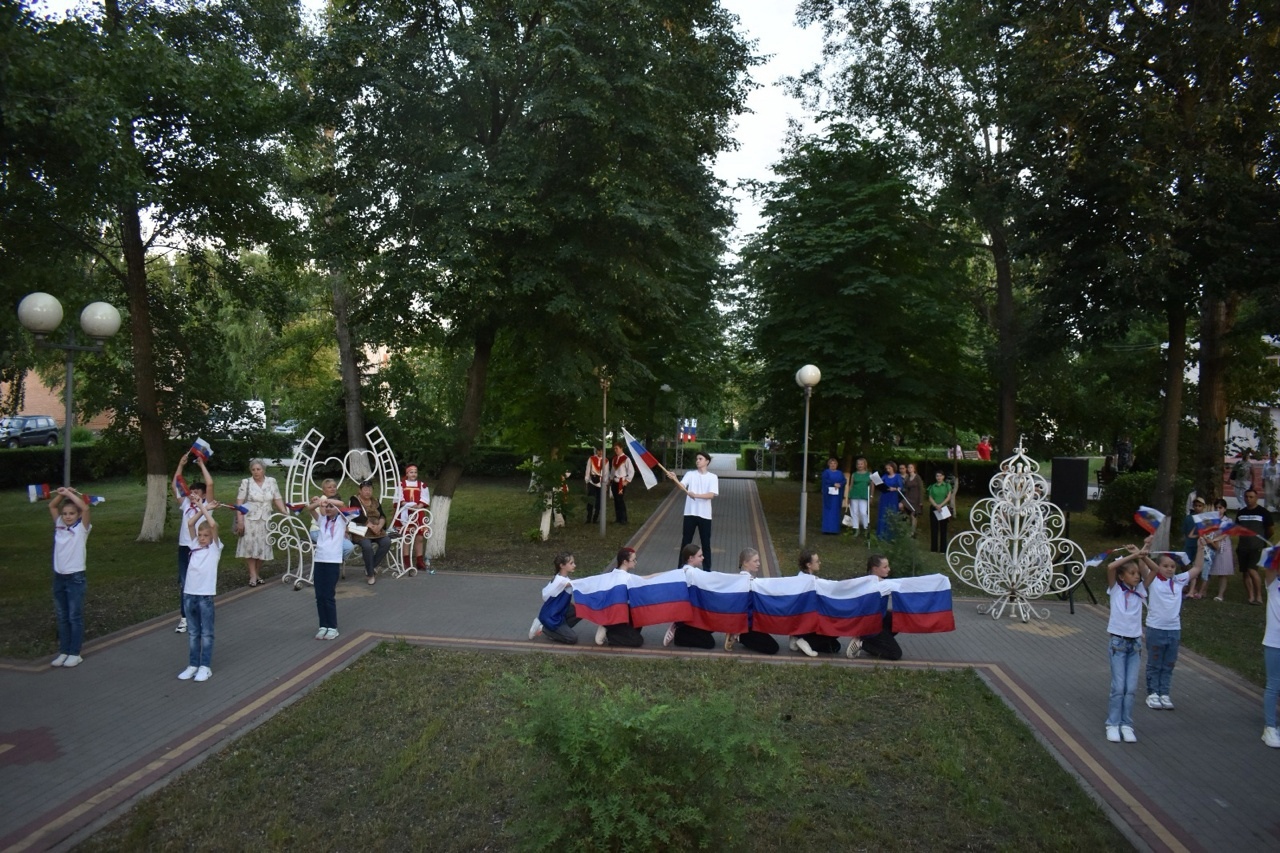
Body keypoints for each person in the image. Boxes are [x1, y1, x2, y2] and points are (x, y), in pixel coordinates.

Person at [1143, 539, 1204, 711]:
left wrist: (1200, 548)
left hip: (1174, 630)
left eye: (1172, 566)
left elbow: (1197, 568)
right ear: (1158, 566)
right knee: (1155, 662)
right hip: (1155, 628)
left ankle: (1164, 693)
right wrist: (1146, 547)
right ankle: (1153, 692)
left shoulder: (1179, 581)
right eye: (1165, 566)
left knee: (1169, 663)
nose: (1169, 569)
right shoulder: (1153, 580)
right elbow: (1143, 562)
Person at [1104, 539, 1152, 744]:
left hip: (1135, 645)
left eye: (1138, 574)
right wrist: (1132, 556)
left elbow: (1154, 572)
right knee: (1118, 687)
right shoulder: (1115, 590)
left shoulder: (1140, 591)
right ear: (1122, 577)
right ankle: (1112, 723)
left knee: (1131, 688)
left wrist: (1143, 554)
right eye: (1132, 574)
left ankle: (1127, 724)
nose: (1137, 576)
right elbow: (1110, 567)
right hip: (1118, 644)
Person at [179, 497, 222, 682]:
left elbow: (213, 525)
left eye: (205, 536)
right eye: (200, 535)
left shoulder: (215, 548)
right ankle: (192, 665)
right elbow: (190, 522)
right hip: (189, 594)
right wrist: (202, 506)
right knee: (193, 632)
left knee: (206, 633)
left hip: (205, 595)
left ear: (211, 537)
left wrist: (207, 509)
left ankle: (205, 666)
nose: (202, 538)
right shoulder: (194, 544)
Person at [49, 487, 91, 668]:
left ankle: (75, 652)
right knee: (62, 615)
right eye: (65, 513)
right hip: (59, 577)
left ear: (78, 515)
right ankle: (64, 651)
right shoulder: (59, 525)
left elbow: (86, 508)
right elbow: (52, 506)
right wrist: (61, 494)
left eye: (72, 513)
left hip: (75, 578)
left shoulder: (82, 528)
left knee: (74, 616)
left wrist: (70, 494)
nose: (67, 516)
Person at [172, 452, 214, 633]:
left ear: (204, 495)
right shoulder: (185, 505)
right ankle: (185, 617)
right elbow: (175, 484)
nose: (193, 495)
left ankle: (201, 615)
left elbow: (210, 483)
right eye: (191, 492)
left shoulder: (207, 506)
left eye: (197, 492)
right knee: (185, 582)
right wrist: (180, 465)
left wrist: (201, 465)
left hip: (202, 549)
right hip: (185, 548)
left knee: (201, 582)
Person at [234, 458, 288, 586]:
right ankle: (253, 575)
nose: (256, 472)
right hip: (250, 519)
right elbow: (239, 503)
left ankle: (257, 573)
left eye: (258, 469)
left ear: (263, 470)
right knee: (250, 546)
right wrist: (240, 521)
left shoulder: (271, 481)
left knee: (262, 547)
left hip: (265, 519)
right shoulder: (246, 482)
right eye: (253, 470)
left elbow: (277, 498)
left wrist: (284, 512)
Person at [668, 450, 718, 570]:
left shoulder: (712, 477)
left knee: (706, 544)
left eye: (700, 459)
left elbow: (711, 495)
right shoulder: (690, 474)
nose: (697, 461)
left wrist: (696, 495)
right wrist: (675, 479)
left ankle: (707, 570)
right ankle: (681, 568)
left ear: (707, 461)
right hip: (690, 513)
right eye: (697, 459)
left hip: (705, 515)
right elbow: (682, 486)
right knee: (686, 542)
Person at [724, 548, 779, 655]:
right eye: (755, 561)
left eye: (758, 560)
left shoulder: (743, 580)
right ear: (745, 563)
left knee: (771, 644)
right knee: (773, 648)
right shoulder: (748, 583)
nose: (758, 564)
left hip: (751, 624)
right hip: (747, 626)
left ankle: (739, 635)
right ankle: (739, 636)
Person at [309, 493, 348, 640]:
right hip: (320, 560)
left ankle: (332, 627)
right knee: (319, 595)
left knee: (328, 595)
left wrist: (328, 501)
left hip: (333, 561)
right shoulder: (322, 519)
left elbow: (342, 504)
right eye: (327, 507)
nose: (329, 509)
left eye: (332, 507)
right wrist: (320, 503)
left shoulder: (342, 520)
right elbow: (310, 509)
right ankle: (323, 625)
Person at [662, 544, 716, 649]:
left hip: (690, 614)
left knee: (710, 627)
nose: (703, 558)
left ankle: (681, 628)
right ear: (691, 558)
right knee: (709, 643)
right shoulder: (692, 573)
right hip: (690, 616)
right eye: (700, 556)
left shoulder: (685, 571)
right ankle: (680, 635)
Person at [790, 548, 841, 657]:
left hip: (801, 621)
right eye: (817, 561)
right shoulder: (812, 582)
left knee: (835, 647)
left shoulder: (800, 577)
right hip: (808, 621)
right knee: (836, 629)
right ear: (809, 565)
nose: (819, 563)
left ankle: (798, 637)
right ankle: (805, 641)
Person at [594, 546, 645, 647]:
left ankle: (610, 628)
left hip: (620, 613)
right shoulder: (624, 577)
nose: (636, 562)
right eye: (633, 560)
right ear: (625, 562)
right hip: (615, 616)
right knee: (638, 641)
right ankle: (609, 633)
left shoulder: (614, 573)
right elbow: (645, 579)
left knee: (638, 616)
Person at [856, 554, 902, 661]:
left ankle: (876, 642)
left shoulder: (867, 581)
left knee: (896, 618)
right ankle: (863, 644)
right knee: (896, 654)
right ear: (875, 569)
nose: (889, 569)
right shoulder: (879, 585)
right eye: (885, 567)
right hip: (870, 624)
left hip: (876, 620)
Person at [529, 552, 580, 644]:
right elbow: (576, 584)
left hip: (556, 611)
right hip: (551, 616)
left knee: (581, 610)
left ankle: (559, 631)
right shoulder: (561, 582)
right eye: (571, 563)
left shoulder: (558, 577)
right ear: (562, 566)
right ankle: (544, 628)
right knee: (572, 638)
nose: (574, 565)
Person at [349, 479, 392, 585]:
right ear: (360, 490)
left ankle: (370, 568)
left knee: (386, 542)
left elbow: (382, 515)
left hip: (377, 530)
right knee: (367, 546)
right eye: (365, 489)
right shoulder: (355, 499)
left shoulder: (375, 500)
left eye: (370, 489)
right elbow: (356, 515)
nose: (368, 491)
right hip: (361, 530)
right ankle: (371, 574)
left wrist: (380, 526)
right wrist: (371, 526)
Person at [1236, 489, 1274, 606]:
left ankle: (1259, 596)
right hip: (1243, 547)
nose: (1249, 499)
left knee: (1252, 570)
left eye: (1251, 497)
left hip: (1257, 547)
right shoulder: (1241, 513)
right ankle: (1250, 596)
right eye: (1247, 497)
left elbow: (1270, 530)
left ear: (1256, 498)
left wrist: (1262, 539)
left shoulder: (1263, 512)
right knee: (1245, 572)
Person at [395, 464, 430, 571]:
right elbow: (398, 497)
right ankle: (406, 561)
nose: (413, 474)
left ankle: (419, 561)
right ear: (407, 473)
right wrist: (406, 504)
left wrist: (419, 505)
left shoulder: (422, 485)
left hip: (418, 514)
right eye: (411, 472)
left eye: (415, 472)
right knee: (407, 537)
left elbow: (425, 498)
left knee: (419, 537)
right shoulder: (401, 484)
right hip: (405, 513)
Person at [310, 478, 355, 563]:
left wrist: (345, 530)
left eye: (334, 486)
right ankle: (333, 561)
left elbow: (343, 515)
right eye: (329, 487)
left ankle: (335, 561)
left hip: (333, 530)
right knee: (334, 547)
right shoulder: (323, 499)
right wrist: (321, 502)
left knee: (348, 546)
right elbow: (324, 515)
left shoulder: (334, 499)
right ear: (324, 490)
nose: (333, 489)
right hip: (318, 530)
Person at [1262, 555, 1280, 748]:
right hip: (1274, 643)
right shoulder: (1274, 585)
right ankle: (1269, 726)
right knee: (1273, 685)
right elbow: (1269, 565)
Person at [1208, 498, 1236, 601]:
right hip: (1211, 545)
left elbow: (1225, 534)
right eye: (1216, 508)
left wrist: (1214, 539)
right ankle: (1202, 590)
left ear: (1224, 509)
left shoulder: (1228, 521)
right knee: (1207, 568)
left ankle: (1220, 594)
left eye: (1220, 508)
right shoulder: (1211, 520)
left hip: (1223, 546)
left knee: (1222, 571)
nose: (1218, 510)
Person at [926, 470, 955, 553]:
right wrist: (936, 505)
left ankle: (943, 549)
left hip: (943, 508)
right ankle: (934, 549)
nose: (938, 477)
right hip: (934, 508)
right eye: (937, 476)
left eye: (940, 476)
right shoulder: (932, 486)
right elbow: (930, 497)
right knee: (934, 529)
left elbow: (948, 497)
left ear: (943, 477)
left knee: (943, 529)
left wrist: (941, 505)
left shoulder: (946, 486)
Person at [845, 456, 873, 542]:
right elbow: (851, 485)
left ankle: (865, 528)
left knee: (863, 512)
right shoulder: (854, 474)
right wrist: (849, 495)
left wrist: (871, 495)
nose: (860, 465)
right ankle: (856, 529)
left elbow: (872, 485)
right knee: (854, 512)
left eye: (861, 464)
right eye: (858, 464)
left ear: (865, 465)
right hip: (854, 495)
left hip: (864, 495)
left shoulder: (870, 474)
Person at [874, 461, 903, 540]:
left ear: (893, 468)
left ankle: (891, 536)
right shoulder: (885, 476)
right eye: (886, 468)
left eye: (889, 468)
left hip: (892, 497)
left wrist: (894, 488)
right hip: (884, 496)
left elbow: (900, 487)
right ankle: (881, 534)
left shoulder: (897, 476)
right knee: (883, 513)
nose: (888, 470)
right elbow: (879, 483)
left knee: (892, 513)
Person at [819, 457, 847, 535]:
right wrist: (833, 484)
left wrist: (840, 484)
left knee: (835, 511)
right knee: (828, 510)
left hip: (837, 495)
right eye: (831, 463)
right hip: (828, 495)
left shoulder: (840, 473)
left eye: (834, 463)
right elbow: (825, 480)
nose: (833, 465)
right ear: (828, 464)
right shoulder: (826, 472)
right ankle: (827, 529)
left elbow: (844, 480)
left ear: (837, 465)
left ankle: (835, 529)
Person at [609, 442, 634, 524]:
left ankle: (623, 519)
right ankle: (618, 518)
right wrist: (610, 478)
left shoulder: (626, 459)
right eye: (614, 449)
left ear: (621, 448)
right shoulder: (614, 459)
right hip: (614, 482)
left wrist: (627, 480)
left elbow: (631, 471)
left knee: (620, 500)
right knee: (616, 500)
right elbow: (612, 470)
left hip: (621, 482)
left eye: (617, 448)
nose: (615, 450)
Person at [900, 462, 923, 537]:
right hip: (908, 497)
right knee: (900, 506)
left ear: (914, 469)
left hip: (916, 498)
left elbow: (921, 489)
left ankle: (912, 532)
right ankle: (905, 525)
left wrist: (921, 501)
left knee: (913, 515)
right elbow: (906, 488)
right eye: (908, 467)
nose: (909, 469)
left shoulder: (917, 477)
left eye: (911, 467)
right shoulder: (907, 478)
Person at [584, 447, 605, 524]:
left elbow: (606, 473)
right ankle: (588, 518)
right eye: (599, 451)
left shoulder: (605, 460)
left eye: (602, 451)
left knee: (599, 501)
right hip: (592, 481)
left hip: (600, 482)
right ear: (597, 451)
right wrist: (587, 480)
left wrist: (605, 483)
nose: (600, 452)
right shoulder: (591, 459)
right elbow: (588, 469)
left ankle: (595, 518)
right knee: (590, 500)